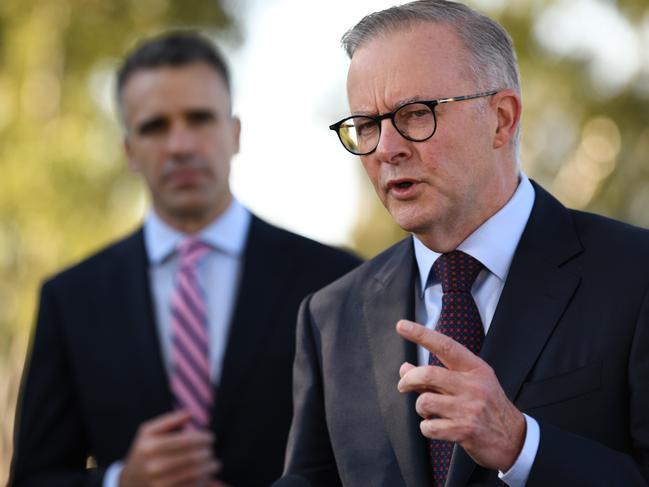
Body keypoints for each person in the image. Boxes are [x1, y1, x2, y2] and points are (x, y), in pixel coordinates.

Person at [277, 1, 649, 486]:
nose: (387, 148)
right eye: (367, 126)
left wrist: (521, 446)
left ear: (501, 119)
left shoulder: (634, 275)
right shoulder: (330, 316)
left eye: (414, 114)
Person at [9, 32, 360, 487]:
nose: (180, 145)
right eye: (155, 126)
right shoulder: (71, 299)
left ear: (234, 134)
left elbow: (372, 460)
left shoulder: (335, 279)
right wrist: (118, 481)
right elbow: (33, 477)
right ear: (129, 151)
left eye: (199, 119)